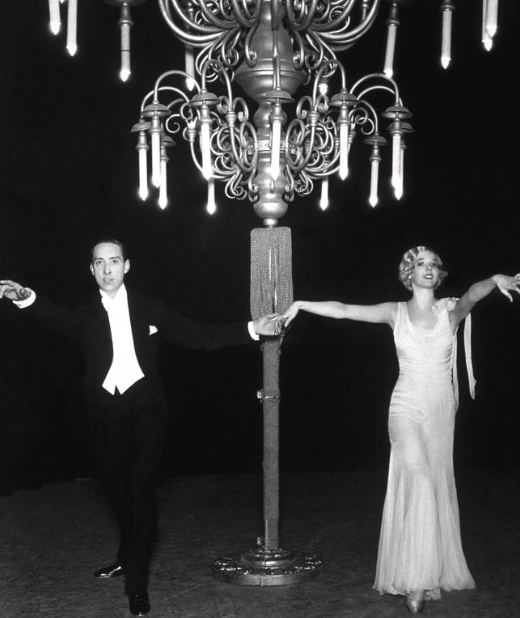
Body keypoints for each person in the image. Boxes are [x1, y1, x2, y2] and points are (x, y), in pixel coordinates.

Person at [0, 239, 280, 617]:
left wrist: (251, 328)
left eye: (114, 261)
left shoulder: (150, 307)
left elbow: (197, 334)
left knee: (139, 493)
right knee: (118, 494)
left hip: (147, 412)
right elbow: (56, 319)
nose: (107, 269)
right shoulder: (85, 315)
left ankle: (136, 585)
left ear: (126, 266)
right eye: (99, 262)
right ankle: (126, 555)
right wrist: (24, 297)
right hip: (104, 415)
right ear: (91, 269)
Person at [276, 246, 520, 613]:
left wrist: (494, 279)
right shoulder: (395, 312)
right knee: (417, 479)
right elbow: (344, 310)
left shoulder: (450, 312)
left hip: (441, 410)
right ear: (409, 273)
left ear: (440, 274)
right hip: (405, 406)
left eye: (434, 264)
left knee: (433, 483)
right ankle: (416, 582)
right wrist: (301, 304)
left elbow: (472, 294)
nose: (428, 269)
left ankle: (429, 569)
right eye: (420, 264)